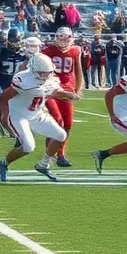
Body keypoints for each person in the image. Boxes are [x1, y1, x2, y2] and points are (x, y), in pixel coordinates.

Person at [0, 53, 82, 182]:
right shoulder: (22, 79)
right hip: (19, 116)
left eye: (46, 72)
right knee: (28, 147)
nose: (44, 75)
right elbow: (4, 97)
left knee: (61, 135)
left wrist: (69, 95)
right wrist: (4, 114)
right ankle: (4, 163)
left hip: (37, 114)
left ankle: (43, 165)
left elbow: (55, 93)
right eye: (41, 73)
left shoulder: (51, 79)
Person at [43, 27, 84, 166]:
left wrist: (78, 89)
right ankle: (52, 146)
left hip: (67, 90)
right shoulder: (47, 51)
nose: (63, 41)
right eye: (60, 38)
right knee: (58, 121)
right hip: (52, 90)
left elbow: (78, 71)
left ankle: (61, 154)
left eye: (66, 38)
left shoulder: (75, 51)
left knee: (68, 124)